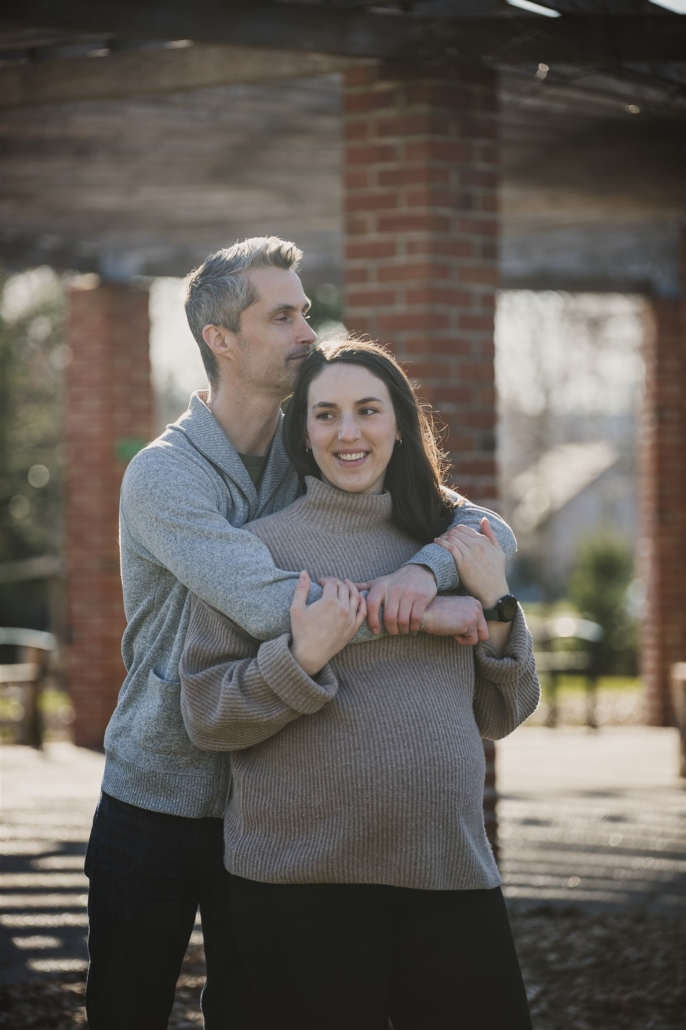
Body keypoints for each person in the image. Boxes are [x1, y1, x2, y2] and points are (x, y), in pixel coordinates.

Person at [84, 238, 519, 1030]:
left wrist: (419, 573)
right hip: (163, 796)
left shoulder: (313, 445)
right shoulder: (164, 475)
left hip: (276, 807)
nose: (307, 334)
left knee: (248, 1016)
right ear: (222, 339)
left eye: (306, 313)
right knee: (126, 1011)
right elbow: (265, 600)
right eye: (282, 316)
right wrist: (424, 614)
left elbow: (482, 524)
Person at [180, 337, 540, 1030]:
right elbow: (208, 717)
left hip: (450, 870)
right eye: (326, 415)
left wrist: (495, 600)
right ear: (304, 432)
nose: (348, 432)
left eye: (368, 410)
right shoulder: (258, 551)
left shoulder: (454, 544)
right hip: (299, 885)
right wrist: (300, 659)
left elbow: (504, 712)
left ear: (400, 424)